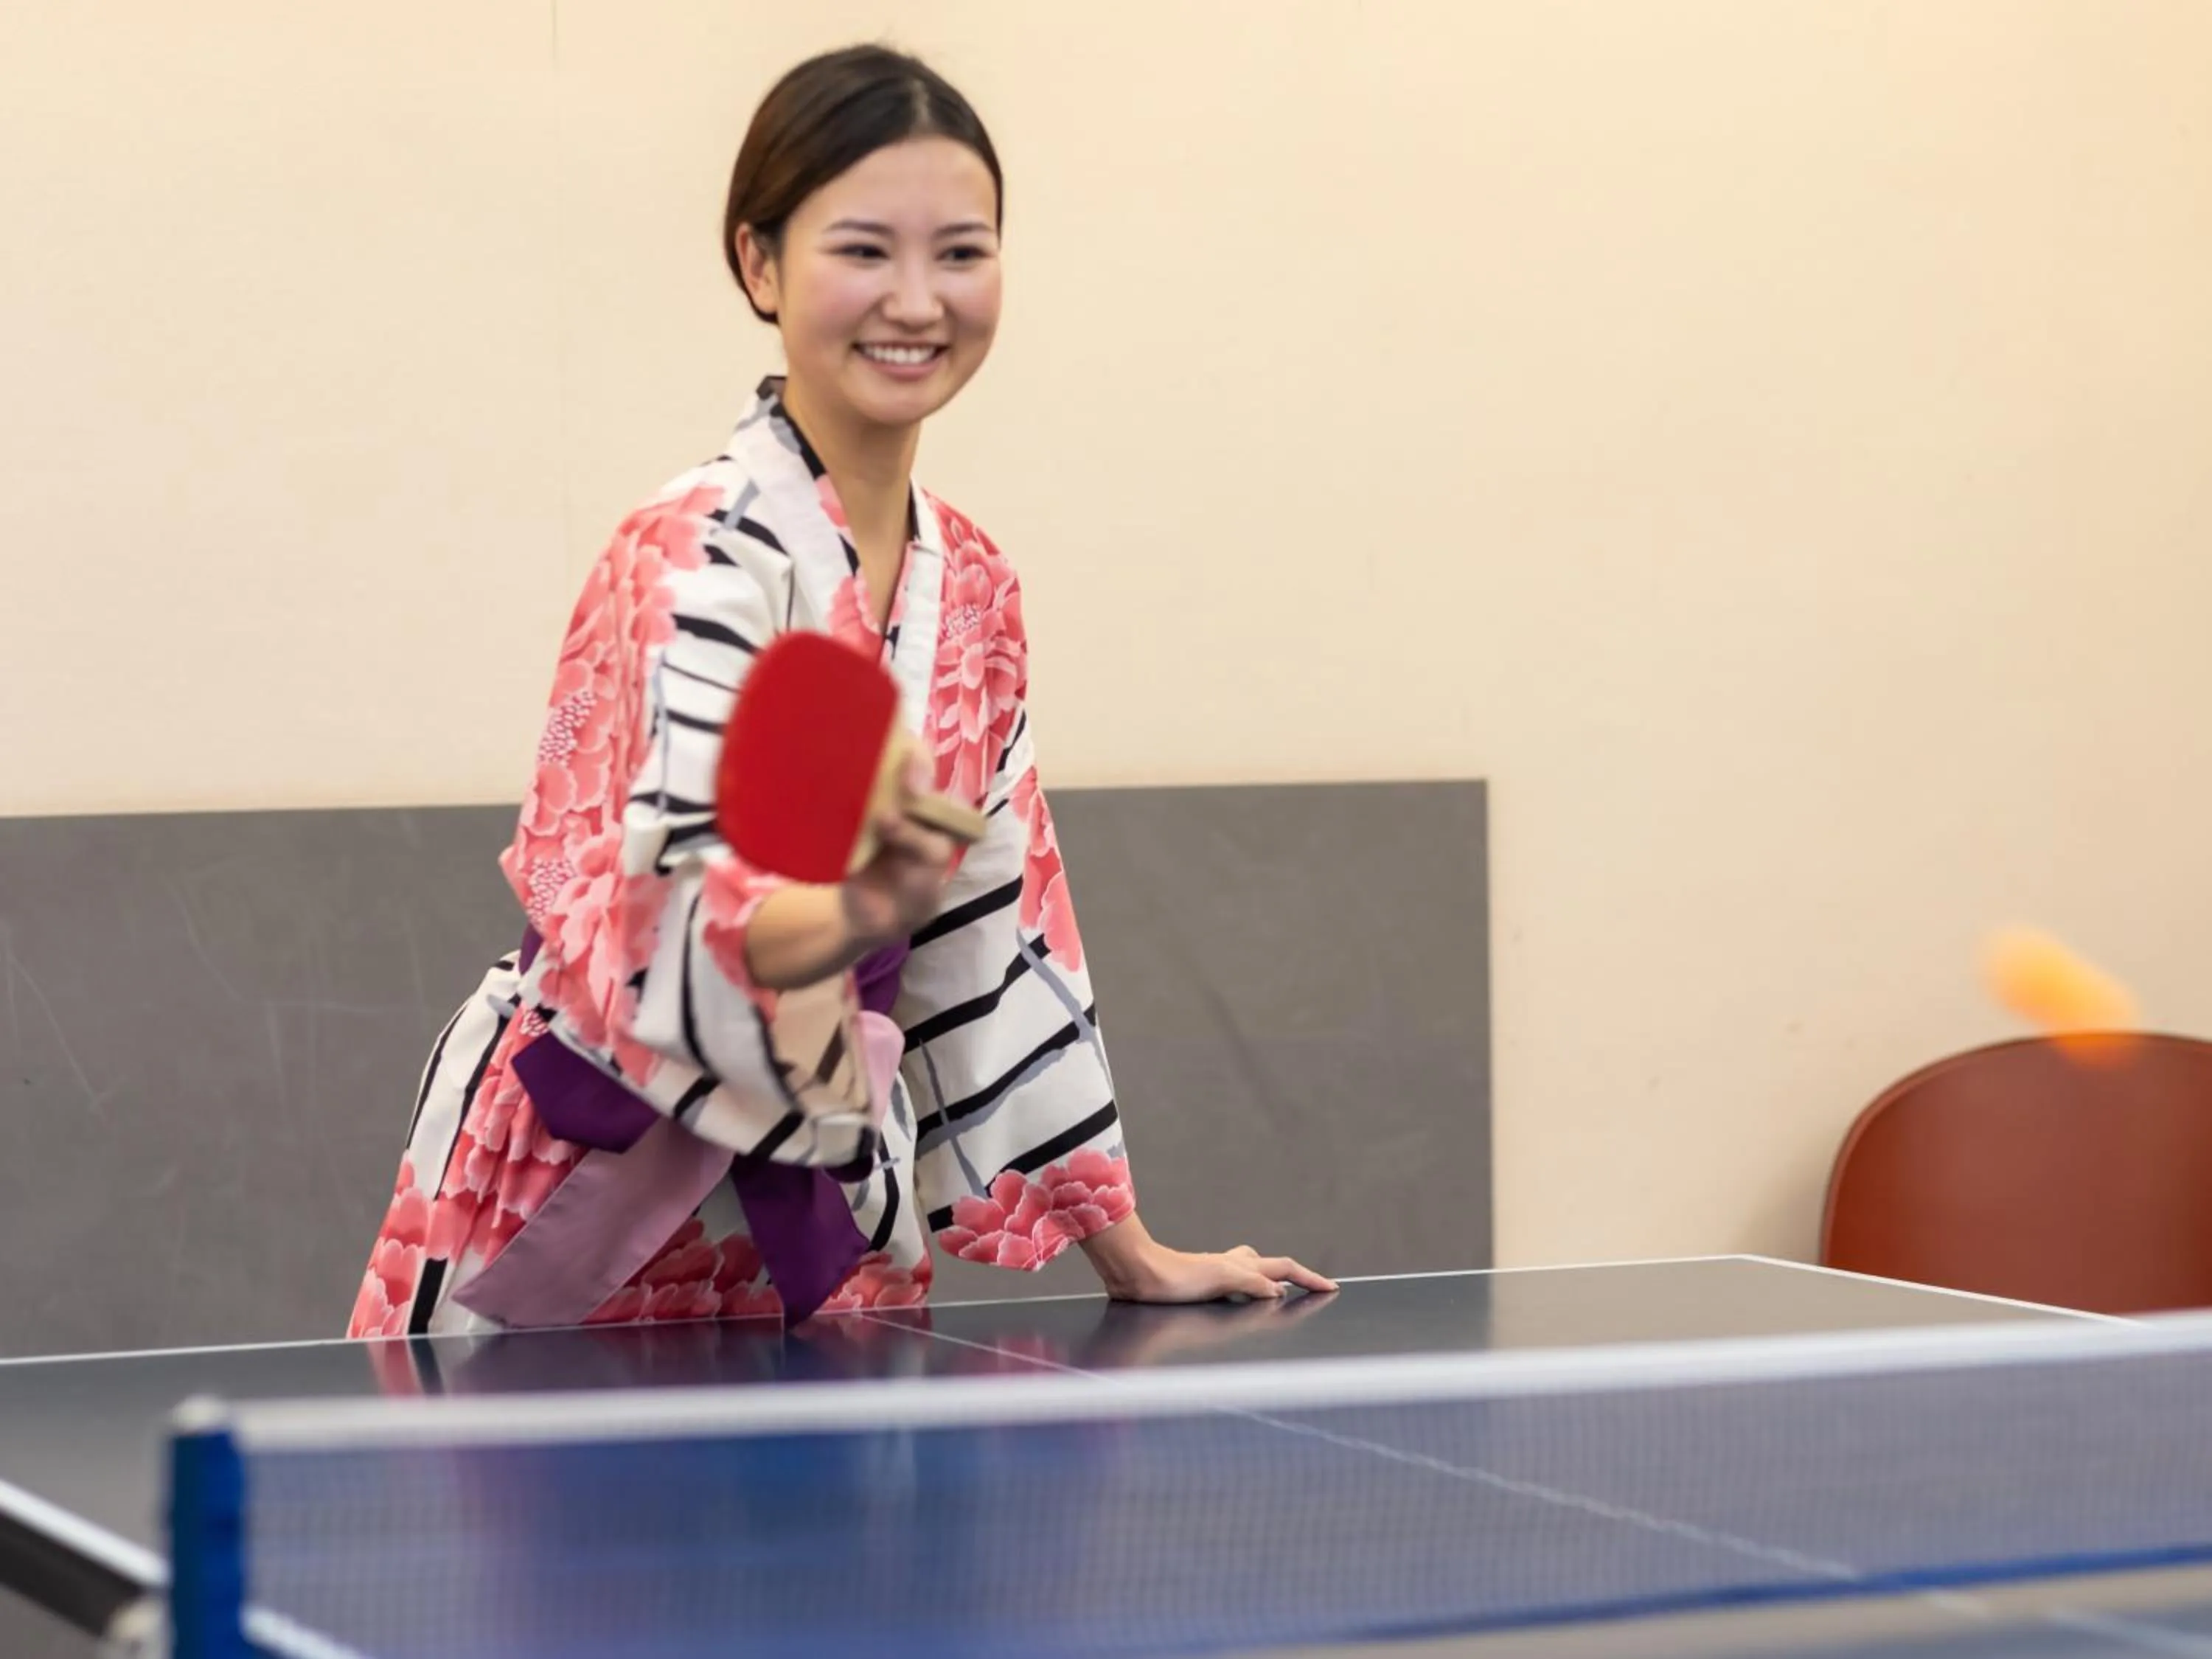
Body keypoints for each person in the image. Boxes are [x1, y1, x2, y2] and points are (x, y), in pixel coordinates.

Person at [349, 44, 1333, 1338]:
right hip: (575, 1186)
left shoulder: (971, 584)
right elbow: (645, 915)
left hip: (814, 1187)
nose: (916, 301)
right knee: (522, 1531)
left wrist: (1127, 1250)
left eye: (963, 253)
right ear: (758, 262)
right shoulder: (688, 551)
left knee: (814, 1529)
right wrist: (853, 911)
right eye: (863, 250)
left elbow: (993, 920)